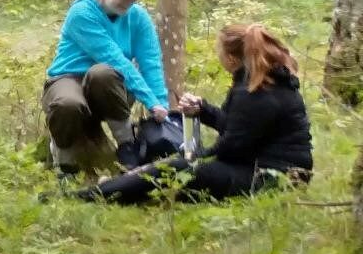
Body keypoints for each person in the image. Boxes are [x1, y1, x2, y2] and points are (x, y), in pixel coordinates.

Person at [78, 24, 313, 204]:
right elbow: (240, 129)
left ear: (231, 58)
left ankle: (94, 195)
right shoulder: (264, 82)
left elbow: (232, 147)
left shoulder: (255, 91)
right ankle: (117, 186)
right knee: (177, 167)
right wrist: (203, 110)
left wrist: (194, 157)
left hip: (271, 178)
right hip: (271, 171)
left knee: (177, 169)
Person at [42, 0, 169, 173]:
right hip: (69, 78)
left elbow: (151, 63)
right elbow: (114, 58)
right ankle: (65, 163)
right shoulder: (82, 13)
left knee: (102, 74)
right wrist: (150, 101)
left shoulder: (138, 17)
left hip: (110, 86)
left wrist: (160, 106)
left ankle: (127, 146)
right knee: (69, 103)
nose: (128, 2)